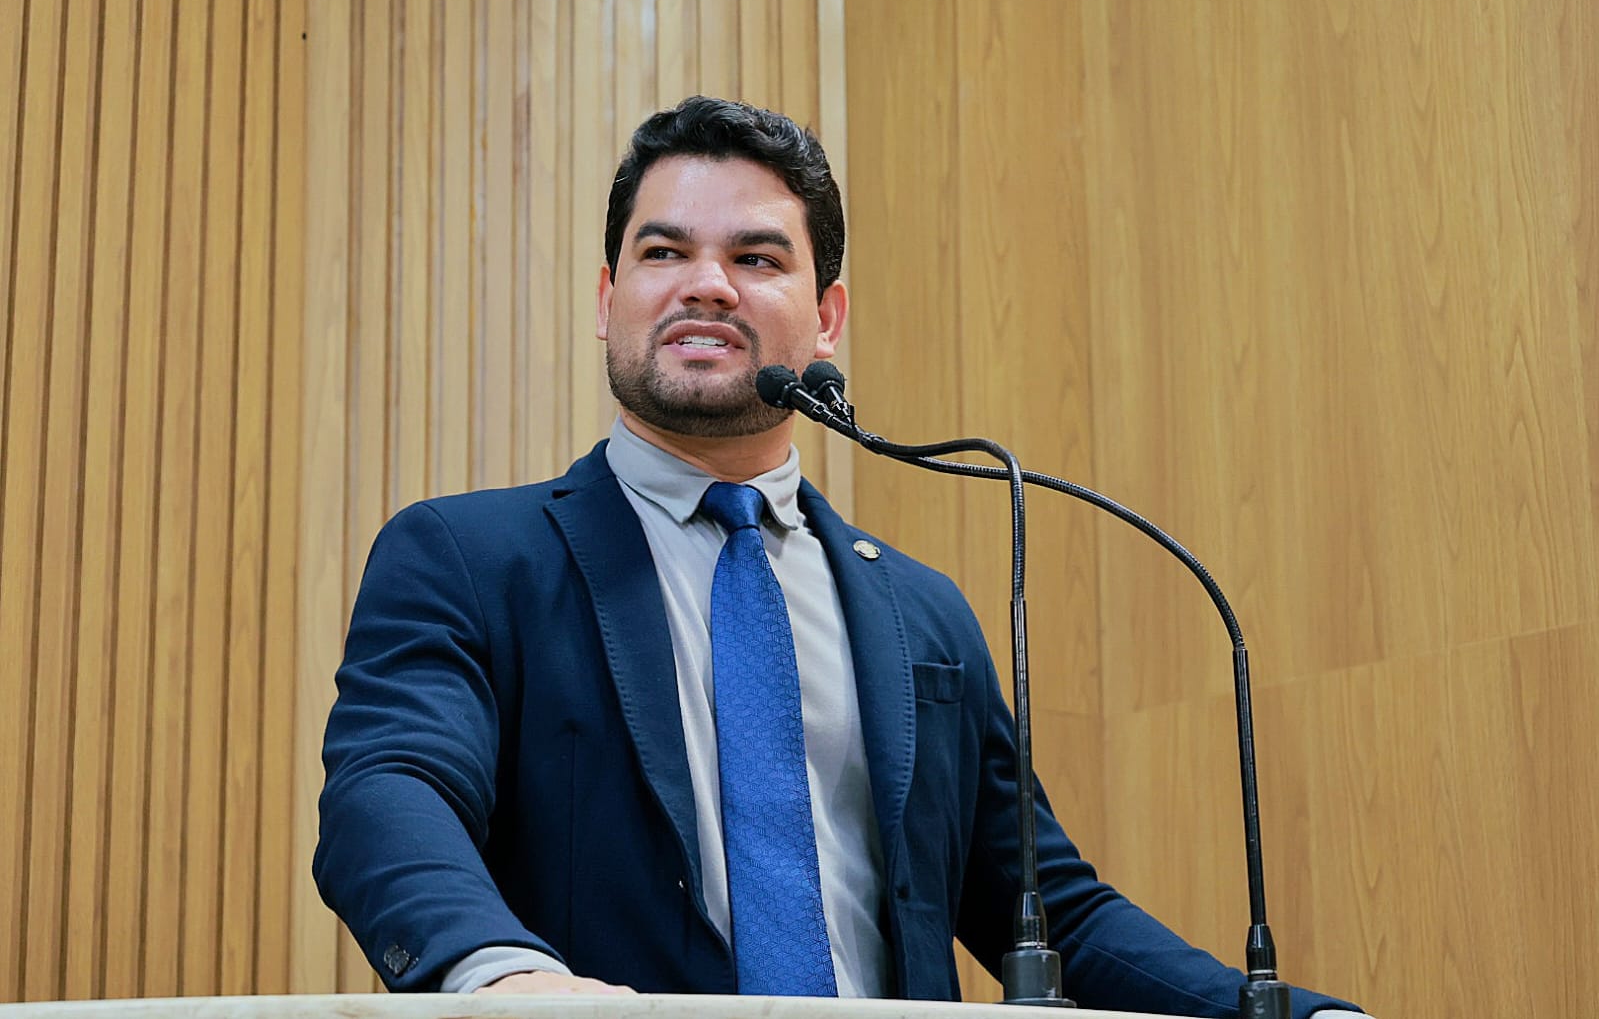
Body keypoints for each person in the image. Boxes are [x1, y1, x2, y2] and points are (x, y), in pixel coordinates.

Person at [315, 96, 1364, 1017]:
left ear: (826, 318)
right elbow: (391, 788)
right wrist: (499, 974)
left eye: (756, 258)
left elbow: (1053, 913)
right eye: (663, 252)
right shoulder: (467, 560)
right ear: (606, 299)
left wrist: (1292, 1017)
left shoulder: (921, 611)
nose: (706, 285)